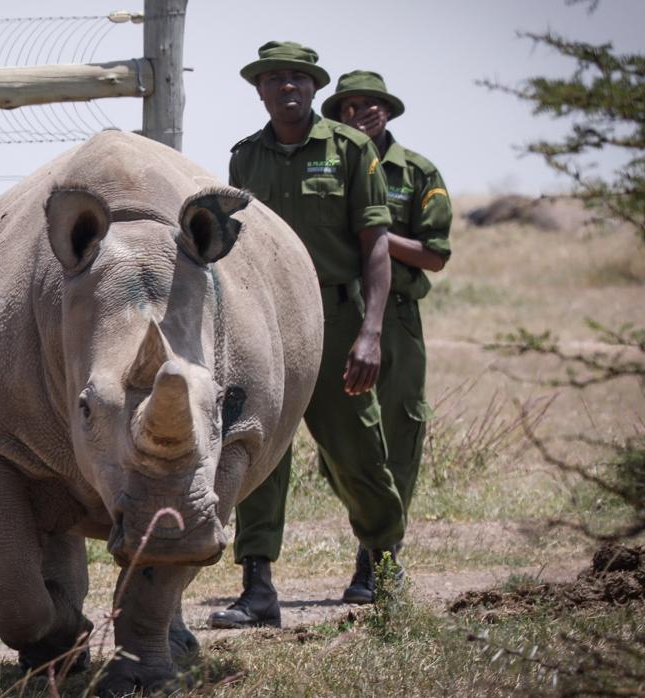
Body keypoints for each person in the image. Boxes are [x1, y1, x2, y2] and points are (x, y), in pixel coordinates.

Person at [209, 41, 400, 628]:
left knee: (357, 454)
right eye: (275, 80)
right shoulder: (244, 159)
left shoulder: (351, 150)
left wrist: (369, 332)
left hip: (338, 319)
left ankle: (381, 566)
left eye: (298, 78)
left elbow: (377, 244)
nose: (287, 88)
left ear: (314, 88)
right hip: (268, 323)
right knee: (259, 450)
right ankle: (257, 587)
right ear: (259, 90)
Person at [321, 70, 452, 600]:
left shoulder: (416, 171)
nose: (361, 114)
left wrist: (374, 233)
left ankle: (376, 561)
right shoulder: (328, 167)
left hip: (394, 317)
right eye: (349, 107)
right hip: (334, 311)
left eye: (371, 105)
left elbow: (435, 255)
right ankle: (369, 531)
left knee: (398, 434)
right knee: (340, 443)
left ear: (389, 111)